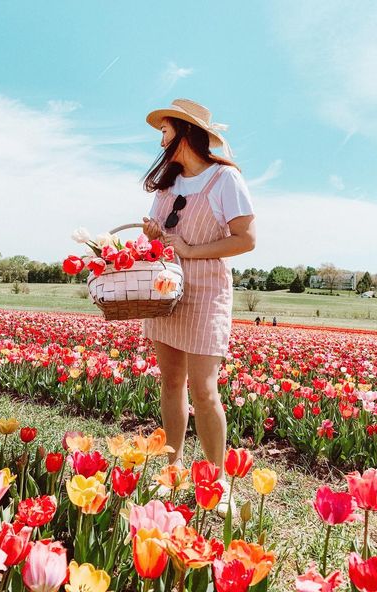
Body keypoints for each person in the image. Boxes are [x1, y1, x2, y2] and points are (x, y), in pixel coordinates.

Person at [142, 99, 256, 517]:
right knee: (171, 382)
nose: (161, 139)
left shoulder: (224, 179)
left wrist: (191, 251)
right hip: (165, 292)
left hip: (207, 294)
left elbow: (246, 239)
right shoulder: (168, 186)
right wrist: (155, 235)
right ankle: (171, 472)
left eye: (165, 131)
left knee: (205, 391)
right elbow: (159, 245)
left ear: (185, 133)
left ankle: (216, 480)